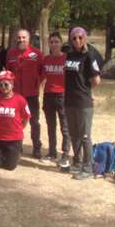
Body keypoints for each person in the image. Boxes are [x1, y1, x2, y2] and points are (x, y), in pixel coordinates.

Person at [63, 27, 102, 180]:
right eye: (74, 38)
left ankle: (88, 167)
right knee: (74, 134)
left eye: (80, 37)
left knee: (85, 135)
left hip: (83, 102)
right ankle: (77, 162)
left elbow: (96, 80)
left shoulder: (89, 55)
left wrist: (84, 90)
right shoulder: (69, 54)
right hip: (69, 100)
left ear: (85, 38)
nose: (77, 40)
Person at [6, 29, 44, 158]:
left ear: (29, 39)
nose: (21, 40)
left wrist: (36, 83)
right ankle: (18, 145)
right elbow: (8, 73)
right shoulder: (11, 54)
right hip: (16, 95)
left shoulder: (37, 53)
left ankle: (37, 147)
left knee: (34, 122)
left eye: (24, 37)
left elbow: (42, 72)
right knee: (16, 121)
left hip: (31, 94)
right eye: (19, 37)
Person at [0, 70, 31, 171]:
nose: (3, 87)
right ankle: (0, 154)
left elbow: (26, 117)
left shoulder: (20, 99)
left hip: (14, 139)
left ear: (12, 84)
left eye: (6, 84)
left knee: (10, 167)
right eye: (0, 85)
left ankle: (14, 153)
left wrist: (19, 129)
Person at [41, 31, 71, 165]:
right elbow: (42, 76)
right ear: (48, 44)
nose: (54, 44)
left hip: (62, 95)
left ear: (61, 43)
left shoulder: (66, 59)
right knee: (51, 126)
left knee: (65, 126)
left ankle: (65, 154)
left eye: (56, 42)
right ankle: (52, 152)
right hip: (48, 94)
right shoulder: (46, 59)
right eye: (51, 42)